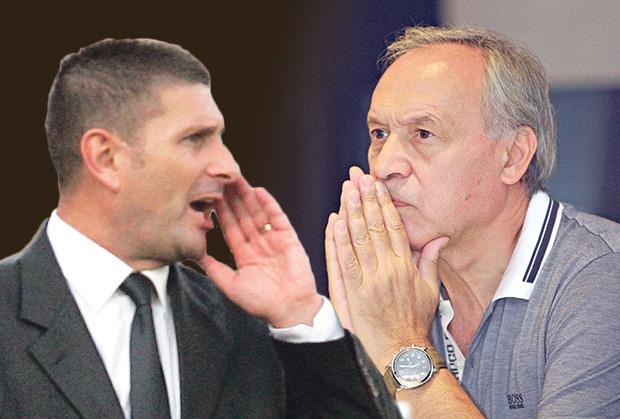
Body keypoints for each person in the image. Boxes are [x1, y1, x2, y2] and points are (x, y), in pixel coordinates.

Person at [0, 39, 400, 418]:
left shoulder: (253, 326)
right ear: (106, 158)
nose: (228, 167)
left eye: (220, 139)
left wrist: (298, 314)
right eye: (195, 139)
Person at [325, 26, 620, 418]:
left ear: (513, 156)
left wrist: (400, 345)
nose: (384, 166)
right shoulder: (389, 288)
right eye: (379, 134)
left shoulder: (603, 276)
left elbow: (399, 345)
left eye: (423, 133)